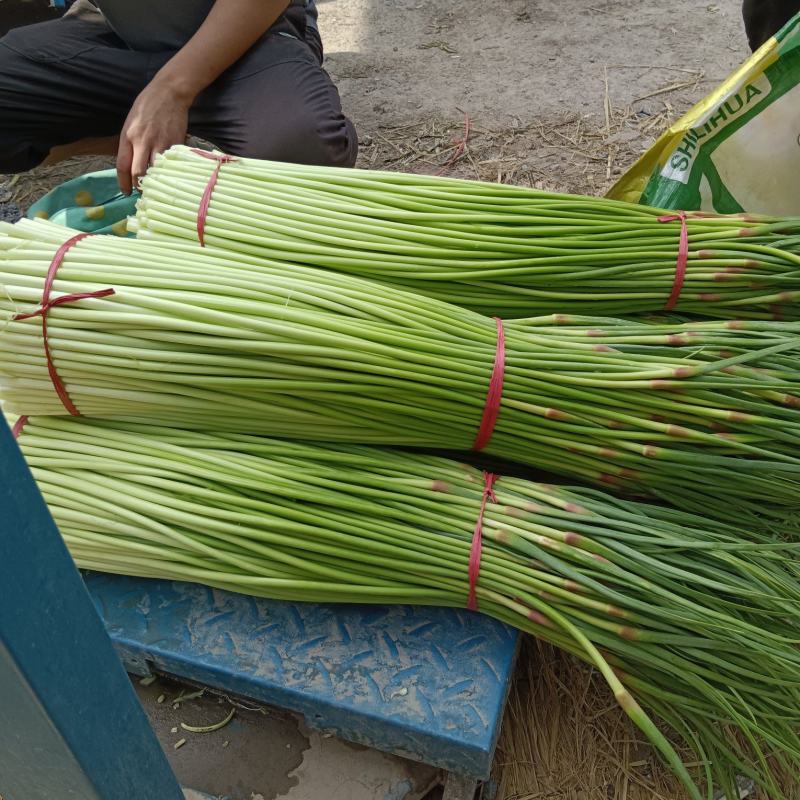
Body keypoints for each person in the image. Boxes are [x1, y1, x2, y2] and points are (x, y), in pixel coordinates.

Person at [0, 0, 358, 194]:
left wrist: (171, 92)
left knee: (303, 148)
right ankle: (130, 139)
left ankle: (169, 121)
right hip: (116, 36)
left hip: (251, 37)